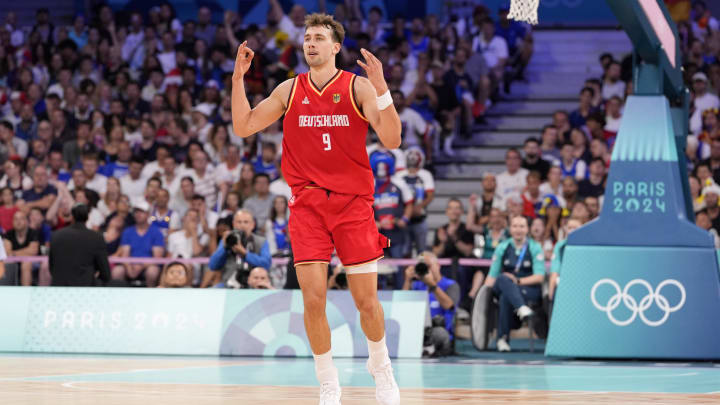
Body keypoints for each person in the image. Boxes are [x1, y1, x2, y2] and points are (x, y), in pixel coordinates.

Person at [231, 13, 401, 405]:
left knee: (366, 302)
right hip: (307, 204)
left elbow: (391, 139)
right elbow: (243, 126)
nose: (311, 43)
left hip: (353, 204)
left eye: (319, 38)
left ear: (335, 47)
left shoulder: (356, 87)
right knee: (312, 299)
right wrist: (239, 79)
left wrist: (382, 89)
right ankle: (328, 380)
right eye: (307, 37)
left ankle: (381, 366)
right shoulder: (289, 90)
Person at [483, 215, 545, 352]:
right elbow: (492, 275)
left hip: (527, 288)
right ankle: (521, 308)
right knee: (503, 278)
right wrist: (484, 295)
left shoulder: (535, 247)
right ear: (510, 229)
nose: (518, 229)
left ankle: (502, 339)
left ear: (527, 229)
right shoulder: (502, 247)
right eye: (515, 226)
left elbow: (539, 277)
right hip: (505, 284)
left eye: (522, 226)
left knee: (506, 296)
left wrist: (517, 281)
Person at [402, 251, 459, 357]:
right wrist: (407, 281)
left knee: (440, 333)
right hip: (418, 331)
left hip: (439, 331)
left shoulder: (450, 285)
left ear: (438, 266)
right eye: (423, 266)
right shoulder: (416, 285)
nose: (427, 270)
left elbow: (449, 306)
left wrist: (432, 285)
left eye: (429, 266)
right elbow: (402, 307)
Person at [48, 203, 111, 286]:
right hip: (86, 288)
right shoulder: (96, 238)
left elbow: (51, 267)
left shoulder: (56, 235)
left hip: (60, 288)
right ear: (87, 217)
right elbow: (105, 273)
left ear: (72, 217)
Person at [205, 209, 271, 288]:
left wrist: (245, 254)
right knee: (213, 291)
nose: (242, 225)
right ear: (233, 224)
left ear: (253, 225)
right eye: (239, 222)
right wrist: (224, 247)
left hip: (253, 285)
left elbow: (266, 264)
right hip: (228, 284)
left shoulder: (261, 241)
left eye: (246, 222)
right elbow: (213, 265)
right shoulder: (228, 239)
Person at [113, 201, 165, 287]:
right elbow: (125, 254)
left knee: (152, 272)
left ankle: (151, 295)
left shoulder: (156, 232)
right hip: (130, 265)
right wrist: (130, 269)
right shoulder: (128, 231)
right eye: (136, 212)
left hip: (148, 266)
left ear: (148, 214)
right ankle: (119, 297)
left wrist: (140, 267)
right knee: (117, 271)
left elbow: (157, 257)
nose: (138, 214)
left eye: (142, 212)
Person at [548, 218, 583, 303]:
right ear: (565, 229)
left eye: (575, 228)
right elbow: (555, 269)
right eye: (569, 228)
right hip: (563, 282)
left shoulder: (586, 247)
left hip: (581, 282)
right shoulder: (559, 246)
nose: (571, 231)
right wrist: (551, 291)